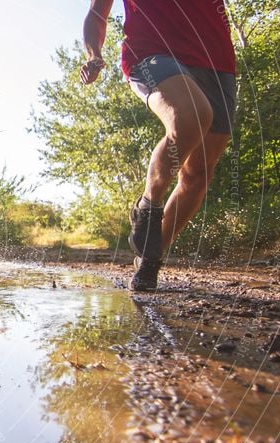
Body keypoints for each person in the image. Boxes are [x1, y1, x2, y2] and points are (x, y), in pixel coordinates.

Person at [80, 0, 237, 290]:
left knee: (199, 174)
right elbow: (96, 14)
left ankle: (150, 259)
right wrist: (94, 54)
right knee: (191, 115)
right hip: (152, 53)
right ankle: (148, 207)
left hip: (217, 61)